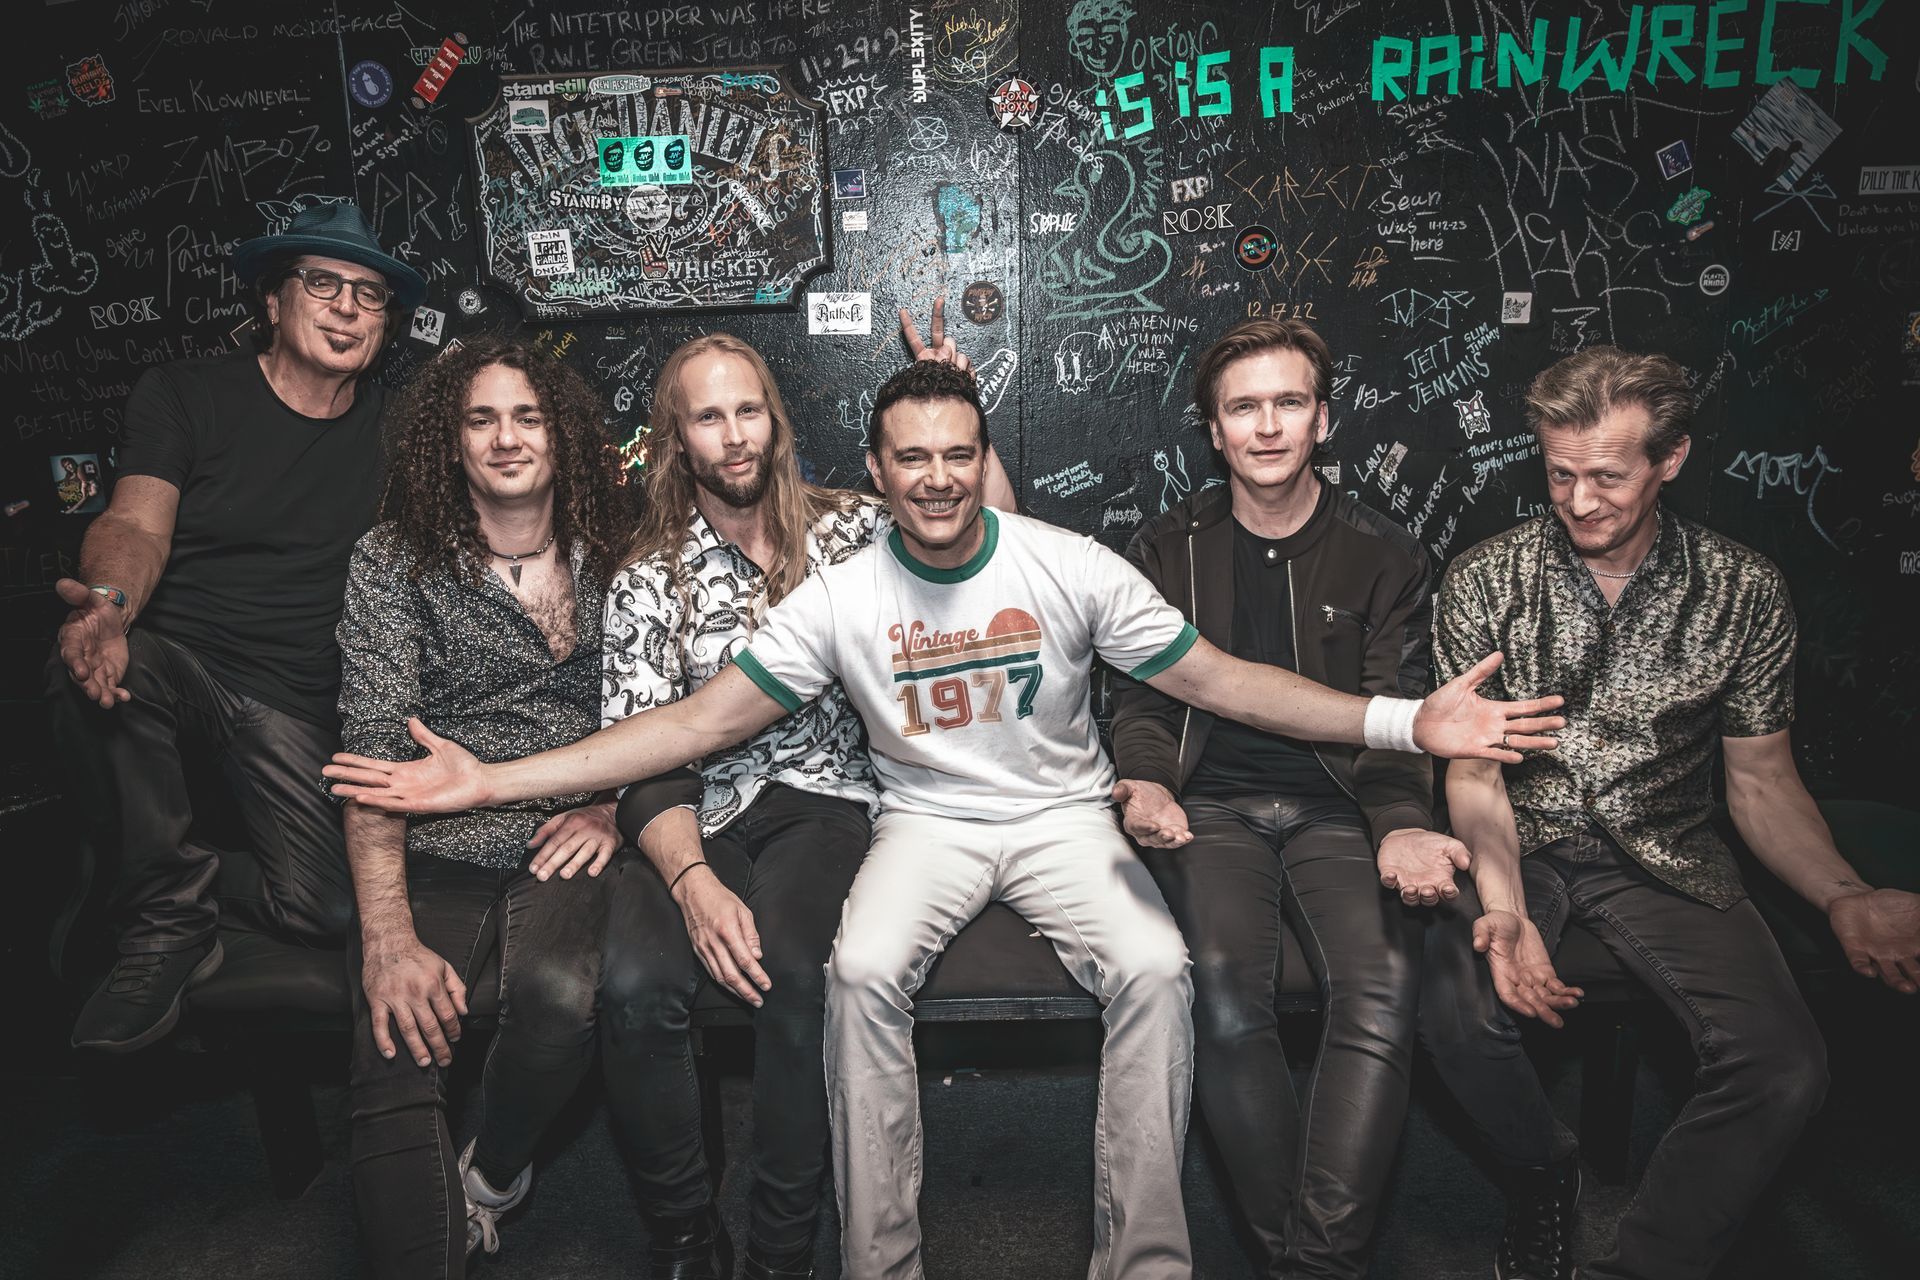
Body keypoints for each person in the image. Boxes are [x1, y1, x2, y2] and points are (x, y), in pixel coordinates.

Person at [324, 360, 1564, 1280]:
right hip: (922, 819)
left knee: (1156, 963)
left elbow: (1225, 680)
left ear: (981, 457)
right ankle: (882, 1259)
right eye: (909, 456)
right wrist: (493, 780)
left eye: (956, 452)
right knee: (858, 968)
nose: (934, 475)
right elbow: (691, 726)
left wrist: (1407, 723)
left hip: (1064, 815)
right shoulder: (839, 594)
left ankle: (1143, 1261)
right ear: (877, 472)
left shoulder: (1065, 563)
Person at [1410, 346, 1920, 1280]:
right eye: (1561, 473)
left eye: (1609, 474)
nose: (1581, 499)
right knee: (1452, 1008)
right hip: (1519, 842)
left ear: (1671, 459)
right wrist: (1506, 907)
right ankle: (1544, 1173)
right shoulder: (1485, 578)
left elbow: (1762, 781)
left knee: (1784, 1066)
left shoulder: (1743, 589)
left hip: (1671, 854)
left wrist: (1844, 894)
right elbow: (1474, 779)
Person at [599, 304, 1012, 1280]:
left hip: (824, 797)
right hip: (684, 815)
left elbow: (987, 532)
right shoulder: (648, 577)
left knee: (794, 974)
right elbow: (641, 755)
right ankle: (687, 1240)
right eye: (709, 417)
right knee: (634, 988)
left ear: (775, 423)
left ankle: (782, 1248)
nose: (734, 433)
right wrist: (695, 883)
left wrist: (961, 410)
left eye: (750, 411)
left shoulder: (853, 530)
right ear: (678, 438)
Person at [1110, 319, 1465, 1278]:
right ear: (1213, 430)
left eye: (1289, 403)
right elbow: (1140, 698)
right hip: (1210, 809)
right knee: (1224, 993)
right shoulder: (1164, 547)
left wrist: (1401, 828)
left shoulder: (1385, 555)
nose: (1267, 427)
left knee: (1384, 992)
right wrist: (1145, 781)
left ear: (1322, 419)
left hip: (1342, 811)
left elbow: (1401, 715)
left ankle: (1313, 1265)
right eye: (1244, 408)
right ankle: (1304, 1261)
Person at [52, 202, 424, 1052]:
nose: (346, 309)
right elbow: (135, 525)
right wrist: (107, 606)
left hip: (299, 699)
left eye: (370, 297)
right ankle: (165, 923)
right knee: (103, 658)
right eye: (322, 284)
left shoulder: (401, 429)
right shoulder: (188, 393)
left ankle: (143, 873)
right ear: (272, 301)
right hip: (183, 660)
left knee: (330, 909)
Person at [335, 335, 634, 1275]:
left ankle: (492, 1179)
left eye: (527, 416)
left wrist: (615, 808)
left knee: (557, 998)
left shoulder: (623, 545)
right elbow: (373, 758)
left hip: (572, 830)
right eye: (481, 419)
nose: (506, 439)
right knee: (394, 1034)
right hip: (440, 832)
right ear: (451, 441)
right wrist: (385, 933)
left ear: (562, 434)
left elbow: (674, 703)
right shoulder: (395, 561)